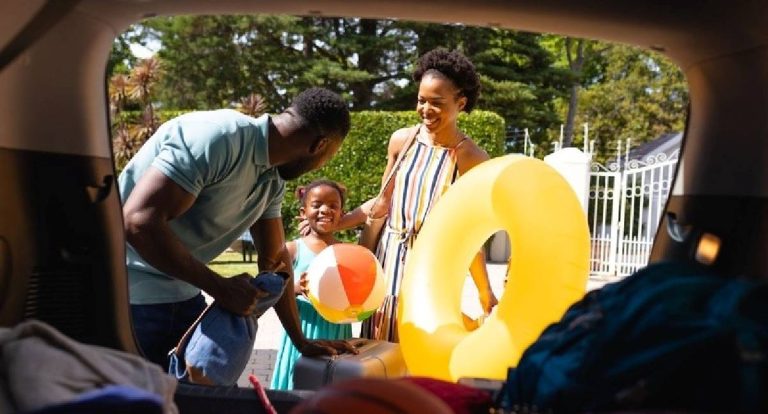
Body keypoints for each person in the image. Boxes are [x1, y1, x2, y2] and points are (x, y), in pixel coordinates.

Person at [118, 87, 356, 370]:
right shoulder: (219, 137)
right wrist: (220, 287)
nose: (321, 165)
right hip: (128, 297)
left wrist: (300, 340)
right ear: (319, 145)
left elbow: (275, 259)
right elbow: (137, 221)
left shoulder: (272, 181)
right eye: (328, 157)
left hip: (183, 296)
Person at [308, 48, 498, 342]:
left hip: (433, 267)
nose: (426, 110)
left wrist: (486, 294)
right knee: (379, 346)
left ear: (460, 103)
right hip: (389, 261)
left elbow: (470, 233)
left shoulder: (471, 158)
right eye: (421, 100)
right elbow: (382, 203)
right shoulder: (402, 140)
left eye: (437, 102)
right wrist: (340, 223)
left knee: (421, 346)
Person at [271, 179, 353, 390]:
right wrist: (295, 288)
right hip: (303, 332)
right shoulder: (291, 250)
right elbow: (270, 291)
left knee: (331, 390)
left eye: (333, 205)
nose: (325, 210)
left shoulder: (347, 252)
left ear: (342, 214)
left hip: (336, 331)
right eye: (317, 205)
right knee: (298, 388)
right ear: (304, 211)